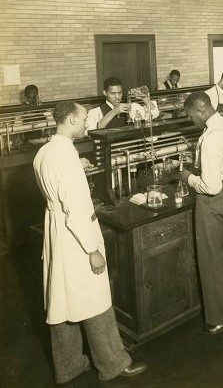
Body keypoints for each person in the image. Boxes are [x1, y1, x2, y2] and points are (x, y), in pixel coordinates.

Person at [33, 101, 147, 384]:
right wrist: (92, 249)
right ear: (71, 120)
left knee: (61, 300)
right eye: (84, 118)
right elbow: (75, 210)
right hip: (75, 235)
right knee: (95, 298)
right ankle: (113, 363)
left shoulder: (45, 152)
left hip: (56, 231)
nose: (87, 123)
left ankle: (69, 366)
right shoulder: (66, 157)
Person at [179, 91, 223, 334]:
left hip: (212, 199)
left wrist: (188, 177)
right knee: (221, 254)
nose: (191, 121)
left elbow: (210, 186)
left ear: (200, 110)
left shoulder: (211, 139)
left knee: (211, 258)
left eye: (190, 117)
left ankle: (219, 318)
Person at [86, 77, 160, 130]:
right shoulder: (95, 112)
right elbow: (92, 132)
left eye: (120, 93)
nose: (117, 97)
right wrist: (114, 112)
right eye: (113, 93)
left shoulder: (132, 107)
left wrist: (144, 97)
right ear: (105, 93)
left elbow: (155, 114)